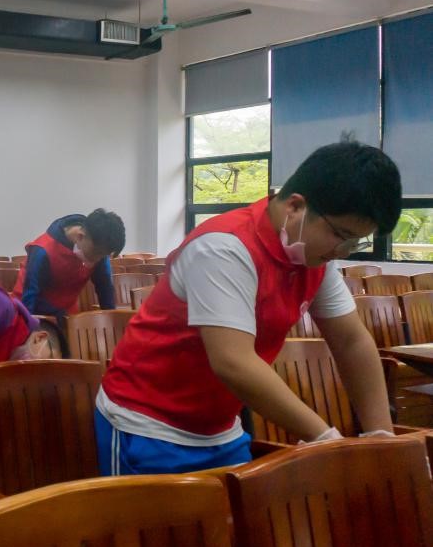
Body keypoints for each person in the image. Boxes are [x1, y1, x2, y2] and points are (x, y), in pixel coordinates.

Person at [97, 140, 401, 475]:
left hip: (220, 428)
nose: (343, 251)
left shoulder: (314, 257)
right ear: (296, 206)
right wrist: (325, 438)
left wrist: (382, 439)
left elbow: (351, 342)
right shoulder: (224, 247)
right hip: (147, 424)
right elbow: (233, 361)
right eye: (341, 235)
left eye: (356, 242)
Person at [13, 209, 125, 327]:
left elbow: (105, 289)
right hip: (29, 309)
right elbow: (29, 294)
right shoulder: (43, 250)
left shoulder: (99, 248)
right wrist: (28, 329)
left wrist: (111, 326)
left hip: (65, 312)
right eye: (97, 254)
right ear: (80, 236)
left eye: (103, 256)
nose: (98, 260)